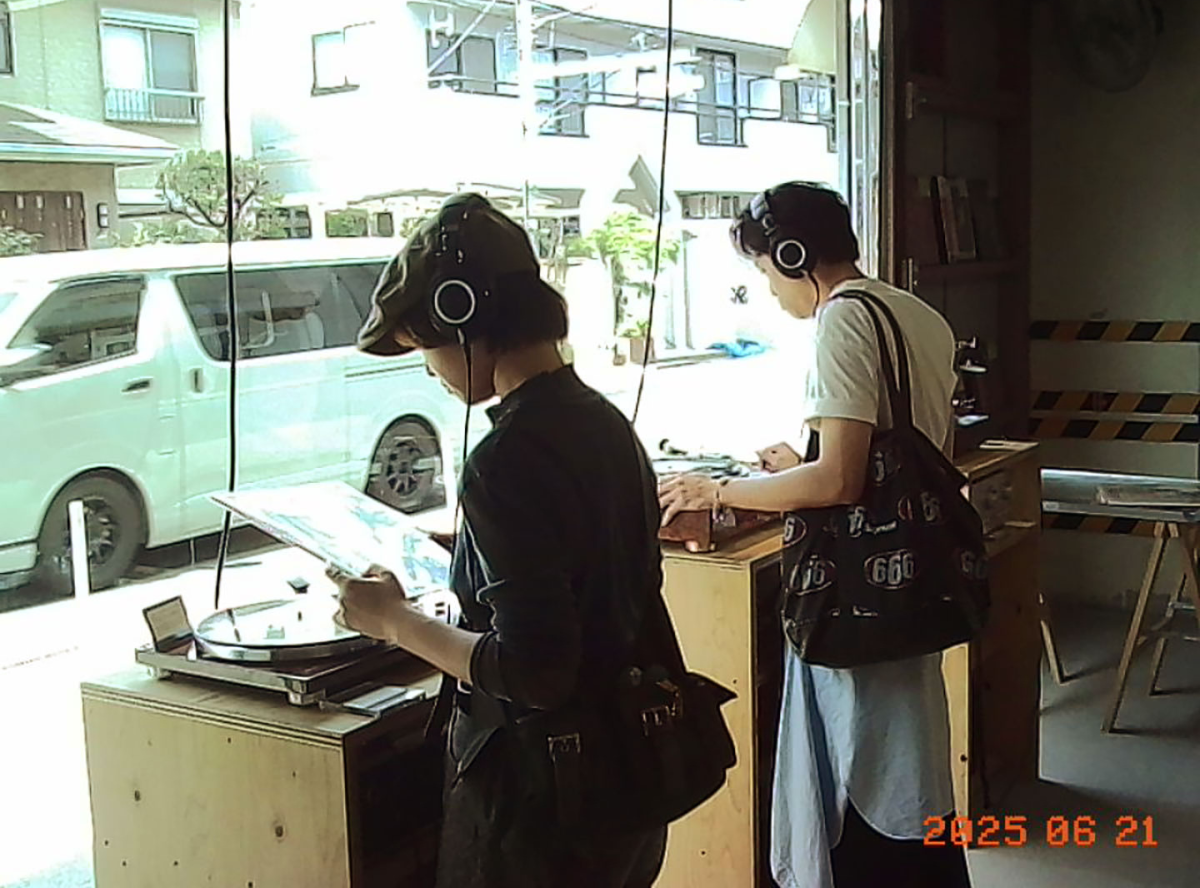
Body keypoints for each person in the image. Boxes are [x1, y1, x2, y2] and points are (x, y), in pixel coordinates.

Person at [330, 194, 672, 888]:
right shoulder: (603, 420)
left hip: (546, 808)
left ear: (458, 317)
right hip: (628, 787)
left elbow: (535, 670)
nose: (428, 368)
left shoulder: (504, 460)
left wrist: (392, 621)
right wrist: (470, 547)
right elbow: (586, 560)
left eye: (421, 346)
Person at [658, 182, 972, 888]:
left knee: (860, 767)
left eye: (766, 269)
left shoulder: (843, 322)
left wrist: (718, 490)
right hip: (914, 577)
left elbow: (839, 482)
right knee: (909, 760)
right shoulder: (915, 313)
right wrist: (797, 469)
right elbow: (906, 458)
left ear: (794, 256)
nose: (770, 290)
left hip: (860, 595)